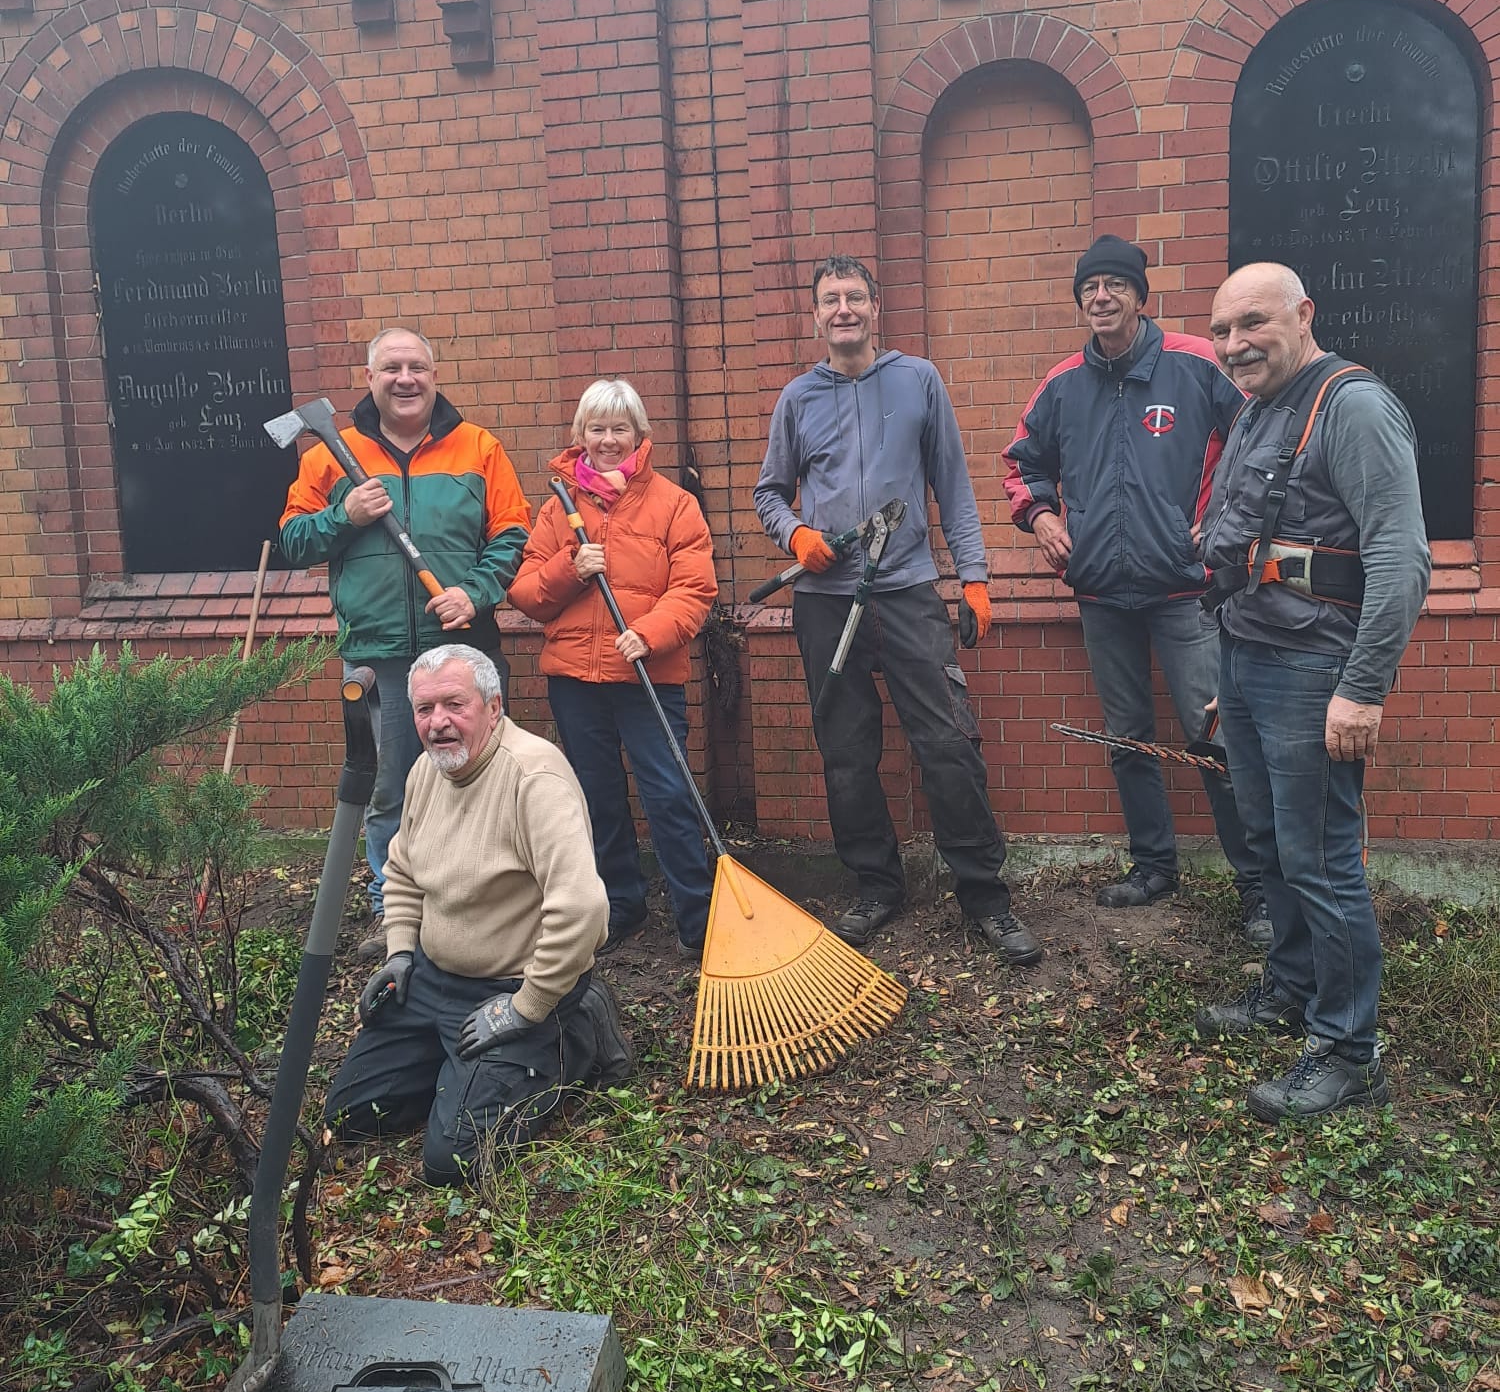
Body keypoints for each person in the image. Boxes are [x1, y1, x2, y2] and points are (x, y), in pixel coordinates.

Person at [753, 254, 1040, 966]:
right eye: (829, 299)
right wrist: (799, 536)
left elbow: (953, 485)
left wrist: (974, 579)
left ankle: (985, 896)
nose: (842, 309)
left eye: (854, 297)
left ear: (875, 309)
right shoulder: (797, 399)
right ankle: (876, 887)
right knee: (846, 752)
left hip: (909, 590)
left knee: (947, 741)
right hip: (825, 601)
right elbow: (768, 493)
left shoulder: (918, 381)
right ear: (815, 315)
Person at [1196, 263, 1429, 1123]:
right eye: (1221, 332)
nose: (1232, 346)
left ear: (1303, 315)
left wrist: (1362, 690)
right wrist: (1229, 680)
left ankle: (1349, 1052)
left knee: (1324, 861)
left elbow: (1402, 561)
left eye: (1251, 324)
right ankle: (1291, 991)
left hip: (1315, 671)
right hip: (1251, 658)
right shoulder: (1261, 408)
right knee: (1271, 844)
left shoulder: (1353, 408)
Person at [1003, 234, 1268, 942]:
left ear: (1140, 297)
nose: (1102, 297)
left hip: (1186, 591)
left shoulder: (1195, 364)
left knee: (1212, 735)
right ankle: (1154, 867)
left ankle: (1260, 891)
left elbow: (1261, 435)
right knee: (1127, 738)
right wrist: (1042, 514)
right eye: (1091, 288)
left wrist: (1220, 520)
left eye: (1116, 285)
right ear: (1080, 300)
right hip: (1101, 595)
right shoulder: (1062, 383)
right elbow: (1021, 463)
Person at [324, 645, 634, 1184]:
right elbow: (401, 871)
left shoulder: (535, 778)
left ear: (494, 707)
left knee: (453, 1161)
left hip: (512, 988)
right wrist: (400, 953)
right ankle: (461, 1068)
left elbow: (583, 907)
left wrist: (527, 1006)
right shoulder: (427, 771)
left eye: (454, 705)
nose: (438, 723)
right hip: (433, 982)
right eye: (425, 709)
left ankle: (577, 1031)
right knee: (350, 1115)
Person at [280, 329, 531, 955]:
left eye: (416, 366)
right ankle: (397, 924)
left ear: (434, 374)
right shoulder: (330, 456)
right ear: (370, 378)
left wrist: (474, 592)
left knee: (478, 778)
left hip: (463, 646)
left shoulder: (478, 448)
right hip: (379, 652)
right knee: (391, 786)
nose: (405, 379)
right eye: (390, 367)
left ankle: (480, 911)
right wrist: (348, 516)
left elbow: (513, 534)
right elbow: (293, 540)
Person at [507, 380, 718, 957]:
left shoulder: (675, 505)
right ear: (581, 436)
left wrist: (647, 635)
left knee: (669, 796)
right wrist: (570, 570)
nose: (607, 440)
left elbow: (695, 589)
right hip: (575, 681)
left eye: (618, 428)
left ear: (640, 436)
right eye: (596, 429)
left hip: (647, 676)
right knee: (596, 797)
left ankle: (698, 920)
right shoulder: (558, 510)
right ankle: (620, 907)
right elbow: (525, 593)